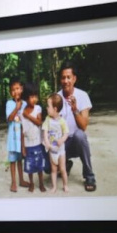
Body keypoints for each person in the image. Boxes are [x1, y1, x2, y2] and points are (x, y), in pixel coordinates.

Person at [52, 62, 96, 191]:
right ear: (60, 79)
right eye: (63, 77)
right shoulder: (56, 98)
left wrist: (75, 109)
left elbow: (83, 126)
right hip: (61, 143)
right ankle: (65, 163)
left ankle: (89, 176)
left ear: (74, 79)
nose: (66, 81)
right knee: (48, 168)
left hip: (76, 143)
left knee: (80, 135)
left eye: (68, 77)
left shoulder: (82, 96)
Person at [20, 83, 46, 192]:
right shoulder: (21, 113)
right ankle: (31, 184)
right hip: (28, 144)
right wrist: (23, 147)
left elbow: (39, 122)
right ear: (26, 98)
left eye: (35, 96)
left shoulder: (38, 108)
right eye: (31, 97)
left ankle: (41, 183)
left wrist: (28, 116)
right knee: (30, 167)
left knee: (40, 166)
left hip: (38, 143)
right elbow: (22, 131)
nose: (34, 99)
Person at [5, 79, 30, 192]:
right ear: (11, 93)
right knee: (12, 160)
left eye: (18, 88)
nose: (16, 91)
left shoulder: (25, 103)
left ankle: (21, 180)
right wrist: (17, 108)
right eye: (13, 90)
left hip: (21, 139)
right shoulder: (9, 103)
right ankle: (13, 182)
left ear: (22, 89)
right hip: (12, 139)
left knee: (20, 160)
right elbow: (10, 119)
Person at [44, 93, 70, 193]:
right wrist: (46, 141)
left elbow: (66, 133)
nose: (46, 108)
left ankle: (65, 185)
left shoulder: (62, 121)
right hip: (52, 150)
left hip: (60, 151)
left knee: (62, 169)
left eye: (48, 106)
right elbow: (45, 130)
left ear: (55, 109)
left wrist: (62, 139)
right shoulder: (48, 119)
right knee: (53, 170)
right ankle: (54, 186)